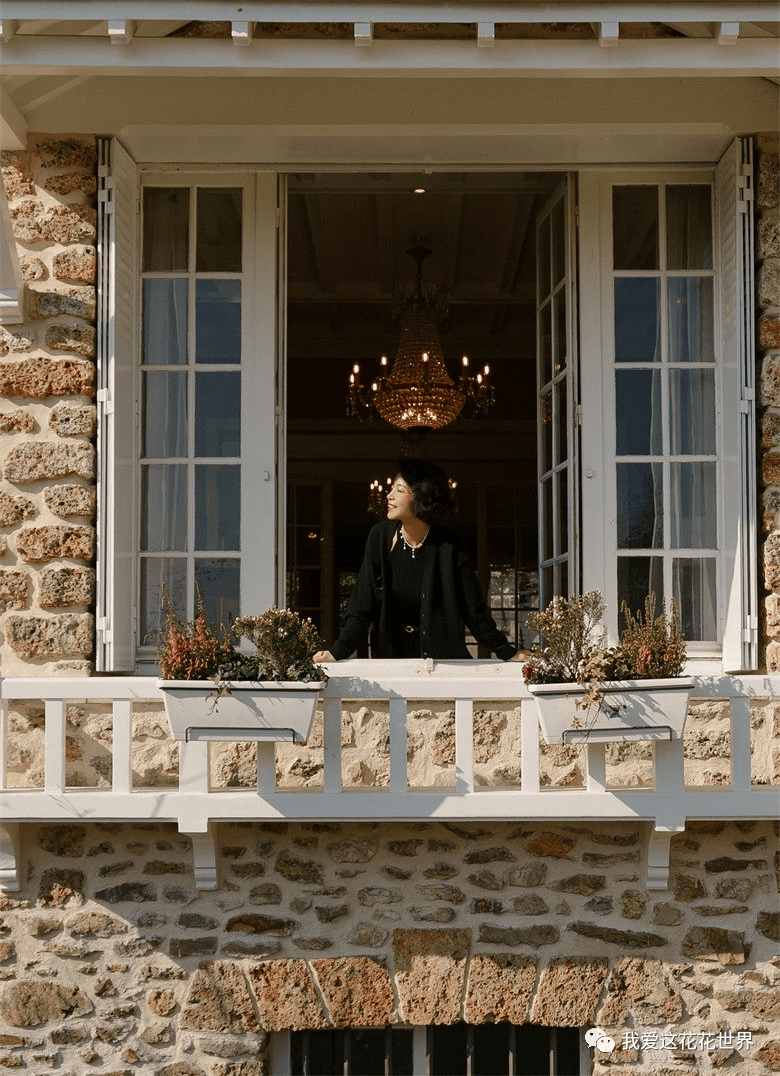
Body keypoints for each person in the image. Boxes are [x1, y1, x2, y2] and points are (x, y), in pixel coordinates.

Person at [313, 459, 528, 663]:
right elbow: (361, 606)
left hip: (441, 665)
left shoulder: (449, 546)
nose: (389, 496)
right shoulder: (379, 538)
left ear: (421, 498)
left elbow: (474, 613)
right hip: (391, 662)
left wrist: (508, 653)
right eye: (391, 489)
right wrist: (337, 652)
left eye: (399, 490)